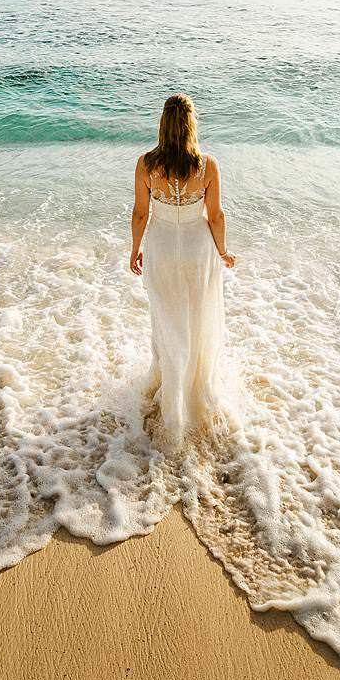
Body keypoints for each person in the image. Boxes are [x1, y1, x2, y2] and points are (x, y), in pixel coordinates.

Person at [129, 94, 236, 445]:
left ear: (162, 123)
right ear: (192, 124)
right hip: (197, 249)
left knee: (167, 320)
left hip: (161, 248)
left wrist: (134, 250)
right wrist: (223, 252)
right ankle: (196, 393)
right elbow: (216, 215)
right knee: (198, 320)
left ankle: (170, 395)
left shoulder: (146, 164)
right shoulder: (207, 165)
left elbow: (141, 213)